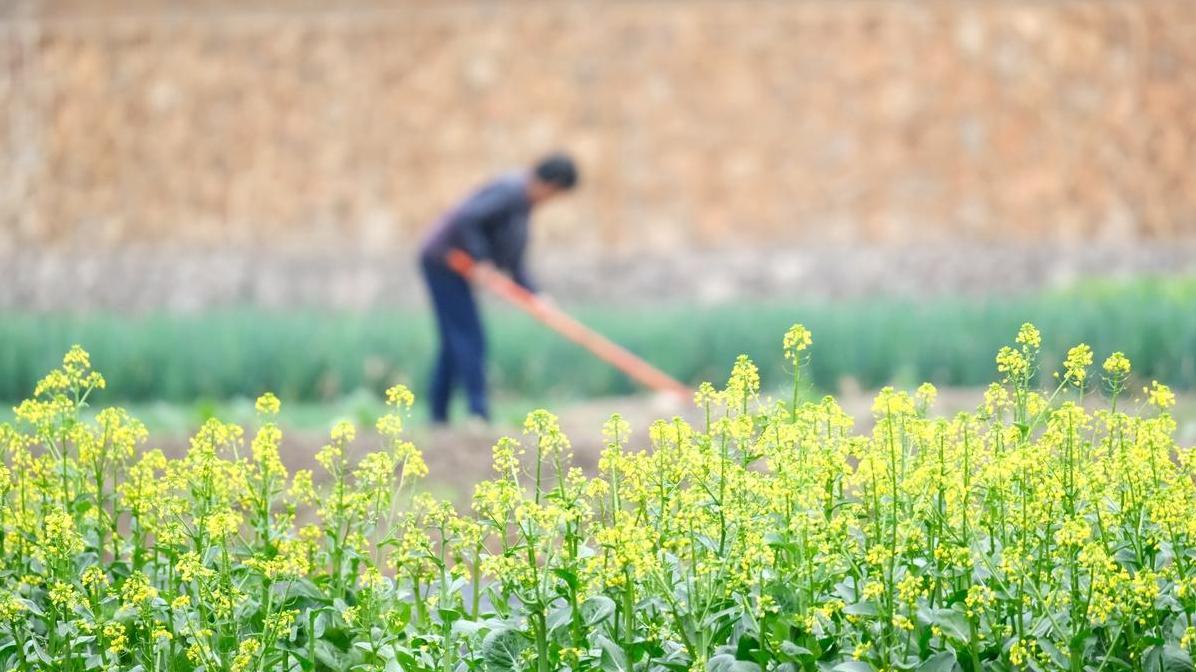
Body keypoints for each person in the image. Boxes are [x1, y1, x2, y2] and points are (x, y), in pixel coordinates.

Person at [418, 153, 579, 424]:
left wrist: (535, 296)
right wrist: (481, 260)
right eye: (555, 195)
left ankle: (438, 416)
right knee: (469, 337)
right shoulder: (510, 191)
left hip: (453, 265)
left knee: (454, 341)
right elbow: (467, 218)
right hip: (445, 262)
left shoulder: (521, 205)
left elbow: (514, 261)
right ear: (550, 185)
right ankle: (478, 413)